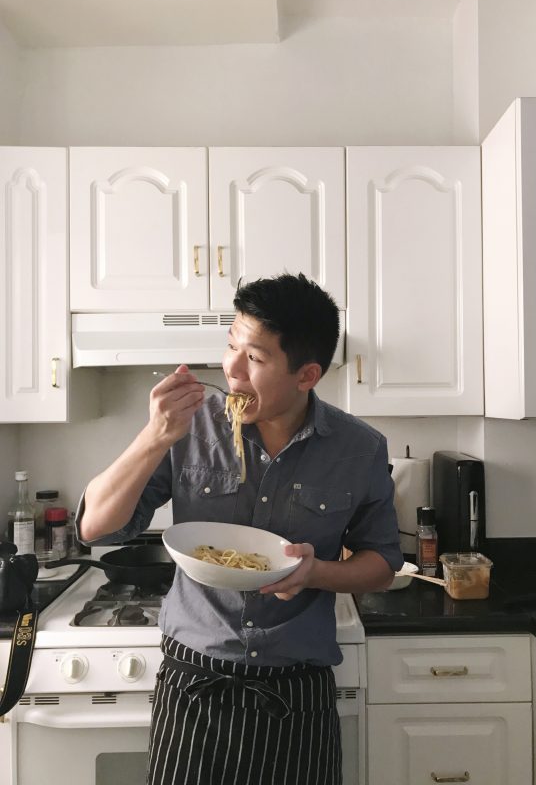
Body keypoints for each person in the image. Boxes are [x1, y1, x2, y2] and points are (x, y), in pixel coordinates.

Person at [77, 272, 403, 785]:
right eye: (231, 346)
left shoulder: (359, 448)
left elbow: (382, 564)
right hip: (194, 684)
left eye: (254, 358)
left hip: (295, 693)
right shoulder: (189, 426)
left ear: (307, 374)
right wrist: (153, 437)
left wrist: (314, 572)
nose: (231, 370)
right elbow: (96, 528)